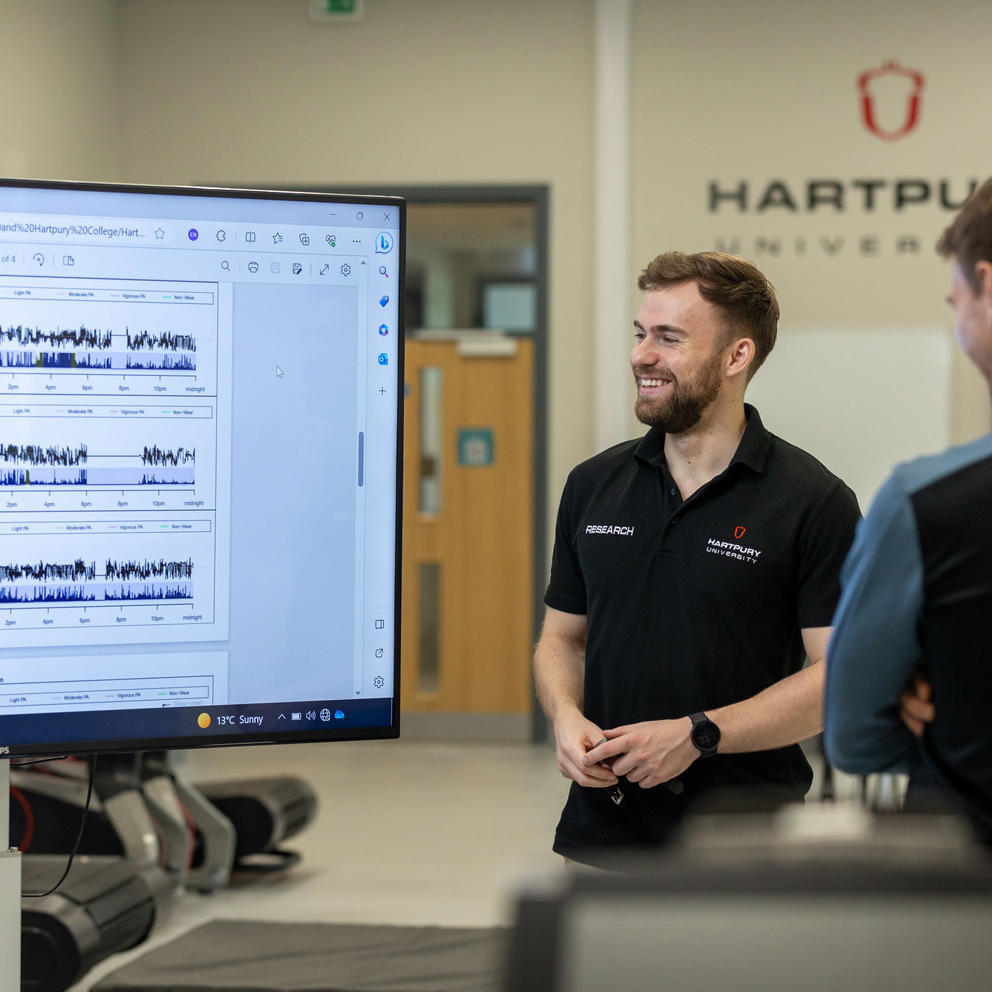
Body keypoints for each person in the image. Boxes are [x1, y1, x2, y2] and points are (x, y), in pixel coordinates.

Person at [534, 250, 861, 867]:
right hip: (606, 827)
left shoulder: (813, 501)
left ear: (737, 356)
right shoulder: (592, 485)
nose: (641, 355)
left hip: (744, 838)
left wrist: (698, 735)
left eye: (669, 338)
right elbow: (563, 640)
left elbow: (841, 678)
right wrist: (565, 715)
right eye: (639, 334)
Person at [824, 178, 992, 842]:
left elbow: (854, 738)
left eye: (956, 301)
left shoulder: (924, 503)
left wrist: (955, 722)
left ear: (985, 283)